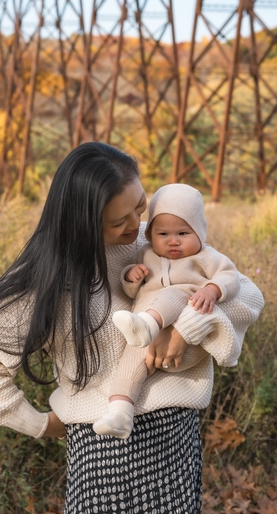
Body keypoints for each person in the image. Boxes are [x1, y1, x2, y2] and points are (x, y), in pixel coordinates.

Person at [0, 143, 264, 514]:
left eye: (140, 206)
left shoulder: (151, 245)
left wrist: (186, 329)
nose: (137, 224)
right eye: (121, 220)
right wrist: (38, 423)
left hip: (173, 436)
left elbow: (247, 293)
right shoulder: (46, 280)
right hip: (104, 448)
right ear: (82, 220)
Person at [93, 183, 242, 439]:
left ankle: (147, 325)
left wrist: (212, 290)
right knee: (129, 365)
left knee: (172, 294)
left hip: (185, 340)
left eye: (183, 233)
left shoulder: (206, 256)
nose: (173, 241)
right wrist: (130, 276)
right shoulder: (144, 253)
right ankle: (120, 412)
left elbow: (232, 276)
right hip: (148, 344)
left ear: (200, 232)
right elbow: (130, 293)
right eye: (162, 234)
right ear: (151, 234)